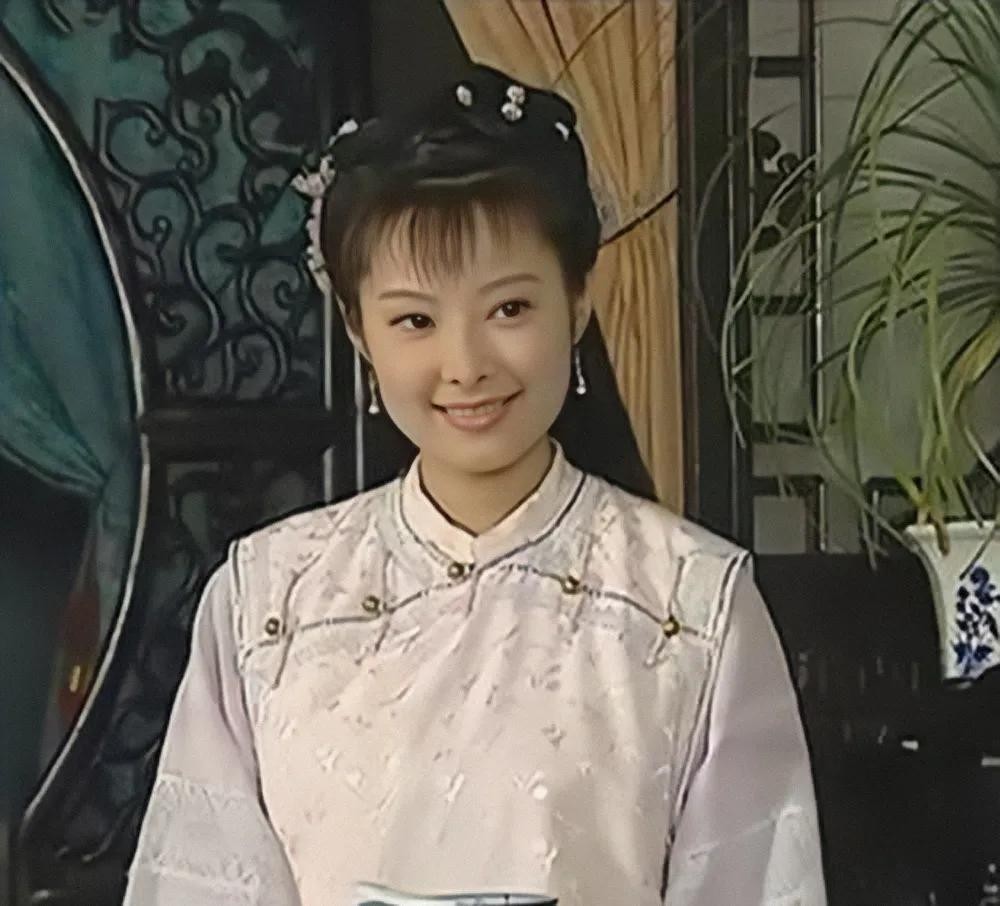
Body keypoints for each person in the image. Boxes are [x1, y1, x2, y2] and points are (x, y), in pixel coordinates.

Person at [123, 64, 825, 906]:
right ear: (359, 331)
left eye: (509, 310)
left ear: (578, 301)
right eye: (415, 320)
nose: (465, 365)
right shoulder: (266, 602)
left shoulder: (692, 604)